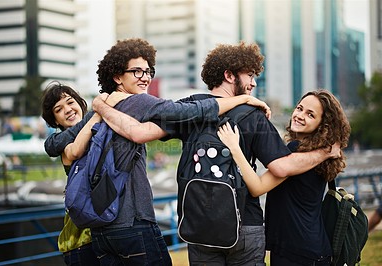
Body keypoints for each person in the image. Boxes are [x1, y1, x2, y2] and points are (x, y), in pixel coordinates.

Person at [86, 42, 341, 265]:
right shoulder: (254, 115)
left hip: (199, 225)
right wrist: (324, 152)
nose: (253, 83)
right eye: (250, 75)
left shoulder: (189, 109)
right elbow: (282, 167)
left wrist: (100, 106)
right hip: (245, 225)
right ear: (229, 75)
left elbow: (138, 132)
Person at [43, 38, 268, 266]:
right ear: (117, 77)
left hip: (101, 233)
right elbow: (192, 110)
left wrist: (99, 107)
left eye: (148, 70)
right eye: (136, 71)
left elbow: (53, 144)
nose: (145, 77)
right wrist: (244, 99)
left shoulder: (100, 110)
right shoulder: (136, 102)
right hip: (134, 222)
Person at [218, 89, 350, 265]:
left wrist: (235, 148)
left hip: (296, 251)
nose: (300, 115)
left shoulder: (297, 151)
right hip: (311, 247)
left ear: (322, 125)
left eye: (310, 114)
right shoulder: (315, 154)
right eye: (299, 108)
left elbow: (257, 187)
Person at [41, 82, 101, 265]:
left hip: (103, 233)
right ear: (55, 121)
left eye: (70, 102)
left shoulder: (99, 128)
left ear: (80, 103)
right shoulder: (63, 145)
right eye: (59, 109)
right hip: (80, 239)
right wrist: (98, 113)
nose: (67, 110)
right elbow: (75, 152)